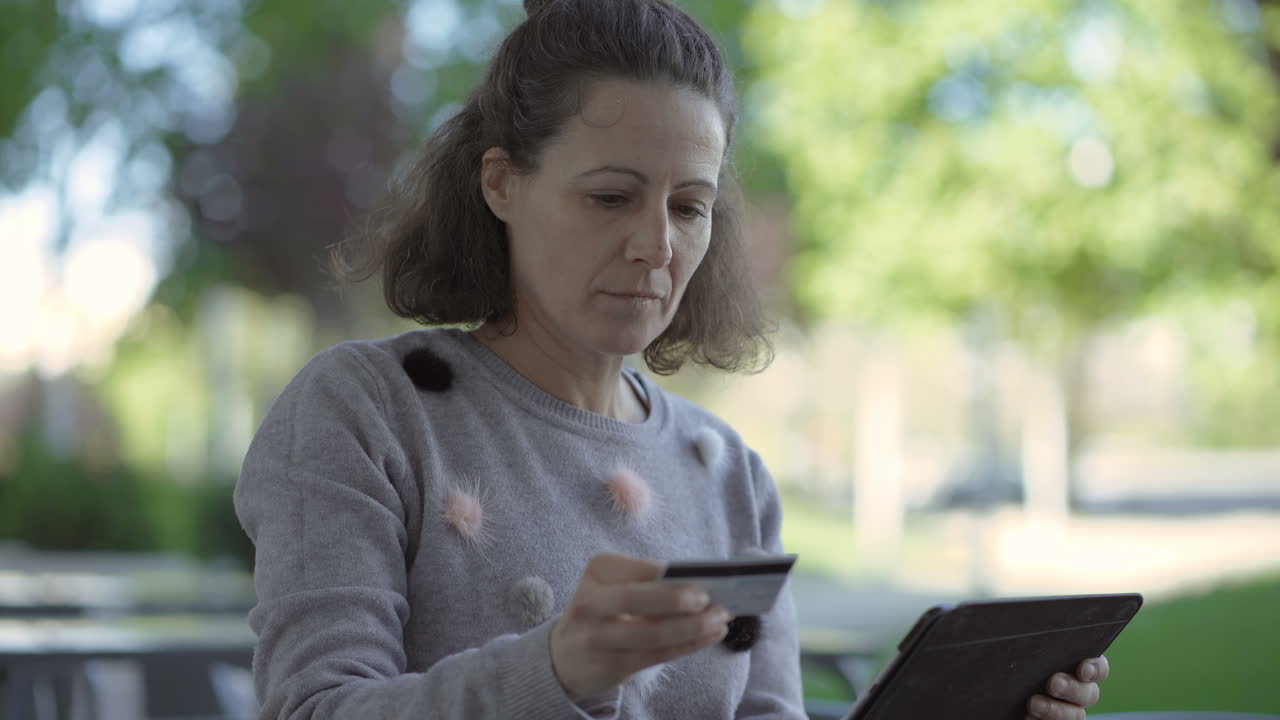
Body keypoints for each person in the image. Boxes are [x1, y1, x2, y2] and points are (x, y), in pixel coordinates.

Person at [233, 0, 1112, 717]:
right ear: (500, 183)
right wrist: (557, 671)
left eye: (689, 208)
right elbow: (314, 709)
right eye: (612, 196)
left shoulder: (727, 469)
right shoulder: (364, 412)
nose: (656, 246)